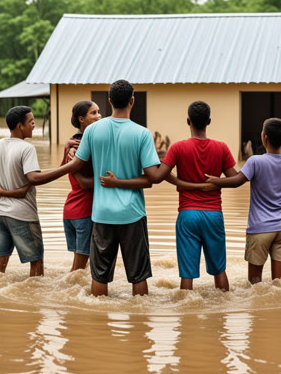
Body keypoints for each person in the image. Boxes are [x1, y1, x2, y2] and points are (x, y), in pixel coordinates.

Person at [101, 101, 238, 292]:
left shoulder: (178, 148)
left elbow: (156, 176)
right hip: (214, 214)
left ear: (188, 121)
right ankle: (222, 313)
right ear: (209, 121)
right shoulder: (221, 148)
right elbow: (237, 179)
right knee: (220, 270)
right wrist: (215, 182)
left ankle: (185, 316)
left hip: (188, 214)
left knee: (187, 274)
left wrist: (181, 183)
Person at [48, 80, 160, 297]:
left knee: (99, 276)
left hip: (101, 215)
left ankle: (97, 326)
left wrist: (43, 175)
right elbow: (150, 179)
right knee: (139, 275)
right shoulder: (142, 134)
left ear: (109, 101)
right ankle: (140, 324)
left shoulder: (92, 131)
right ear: (132, 101)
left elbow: (75, 166)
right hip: (132, 214)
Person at [206, 117, 281, 284]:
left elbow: (237, 181)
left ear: (265, 138)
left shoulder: (256, 161)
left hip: (260, 228)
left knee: (255, 286)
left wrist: (215, 181)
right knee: (279, 284)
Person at [0, 106, 45, 276]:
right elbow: (33, 178)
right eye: (31, 122)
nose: (34, 125)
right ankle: (36, 299)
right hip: (22, 215)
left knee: (0, 262)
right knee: (36, 261)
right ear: (20, 126)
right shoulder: (27, 149)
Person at [61, 101, 101, 271]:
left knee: (79, 266)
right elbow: (85, 183)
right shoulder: (85, 144)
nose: (99, 116)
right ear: (81, 119)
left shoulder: (71, 143)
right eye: (93, 113)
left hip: (70, 210)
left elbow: (64, 169)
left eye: (99, 112)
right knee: (78, 270)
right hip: (84, 210)